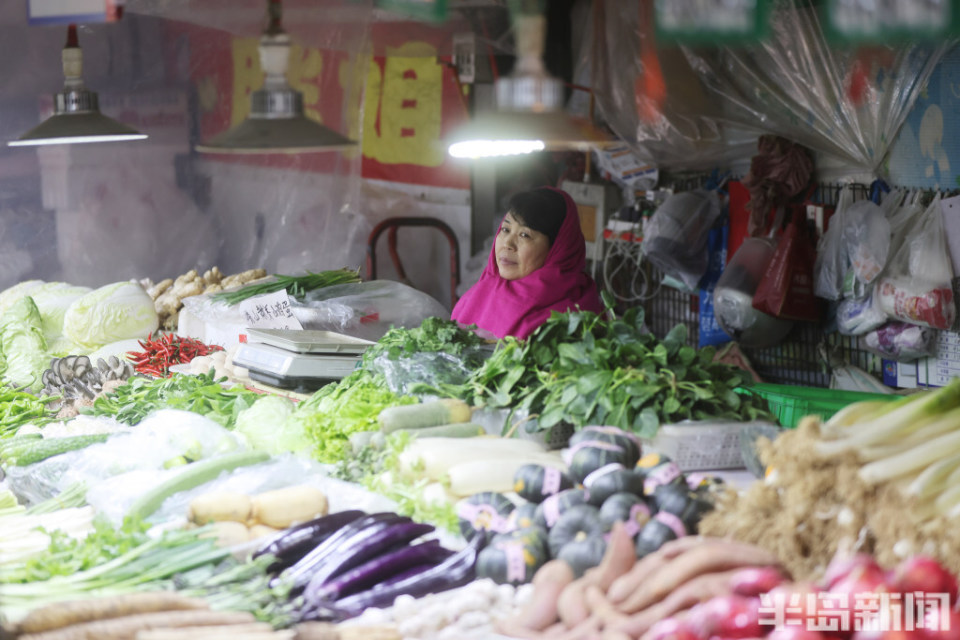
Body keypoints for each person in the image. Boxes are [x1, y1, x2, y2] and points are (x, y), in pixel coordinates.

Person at [452, 186, 604, 339]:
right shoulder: (480, 294)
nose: (508, 243)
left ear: (557, 248)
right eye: (505, 229)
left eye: (524, 235)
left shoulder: (574, 320)